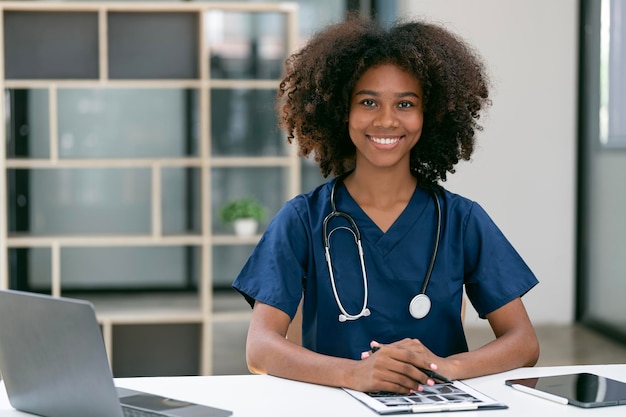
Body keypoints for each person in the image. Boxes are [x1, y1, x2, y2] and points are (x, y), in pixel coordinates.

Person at [232, 15, 539, 394]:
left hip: (436, 403)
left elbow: (523, 342)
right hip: (336, 404)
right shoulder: (302, 219)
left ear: (431, 114)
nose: (387, 120)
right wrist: (352, 374)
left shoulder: (462, 220)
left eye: (405, 103)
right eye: (368, 102)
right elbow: (259, 349)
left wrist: (443, 366)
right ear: (341, 111)